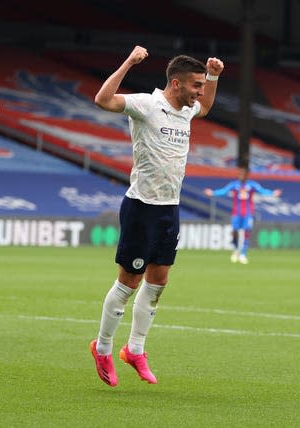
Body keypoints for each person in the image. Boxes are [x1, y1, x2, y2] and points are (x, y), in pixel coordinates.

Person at [90, 45, 224, 387]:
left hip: (169, 207)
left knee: (159, 279)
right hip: (141, 207)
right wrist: (130, 63)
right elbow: (103, 100)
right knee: (128, 283)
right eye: (195, 85)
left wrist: (213, 77)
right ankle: (103, 348)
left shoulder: (187, 109)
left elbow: (206, 105)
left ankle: (135, 350)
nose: (200, 92)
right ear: (176, 84)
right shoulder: (147, 104)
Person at [204, 166, 282, 264]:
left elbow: (262, 190)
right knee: (235, 231)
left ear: (246, 175)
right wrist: (213, 193)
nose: (241, 176)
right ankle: (236, 250)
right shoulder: (234, 185)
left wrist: (272, 193)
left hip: (248, 213)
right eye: (240, 174)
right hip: (236, 213)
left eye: (243, 174)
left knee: (246, 233)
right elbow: (224, 191)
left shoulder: (252, 185)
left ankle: (243, 254)